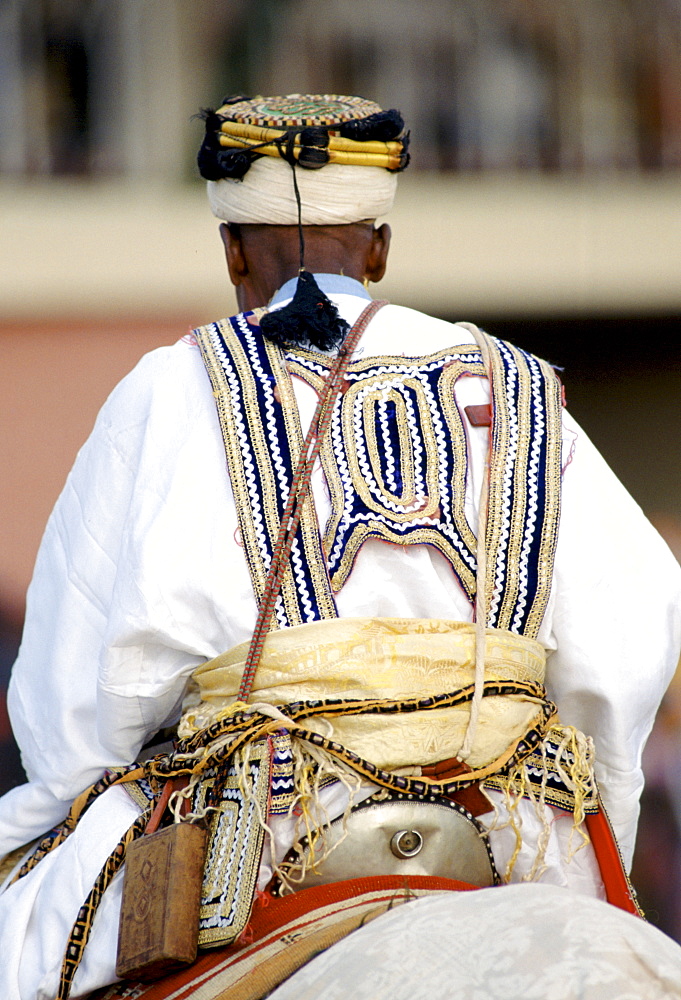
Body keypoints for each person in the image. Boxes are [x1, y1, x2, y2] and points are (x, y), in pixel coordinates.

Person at [1, 93, 681, 1000]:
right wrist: (598, 833)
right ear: (379, 248)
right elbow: (621, 662)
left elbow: (78, 713)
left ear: (232, 251)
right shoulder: (522, 389)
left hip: (267, 839)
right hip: (516, 832)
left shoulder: (166, 392)